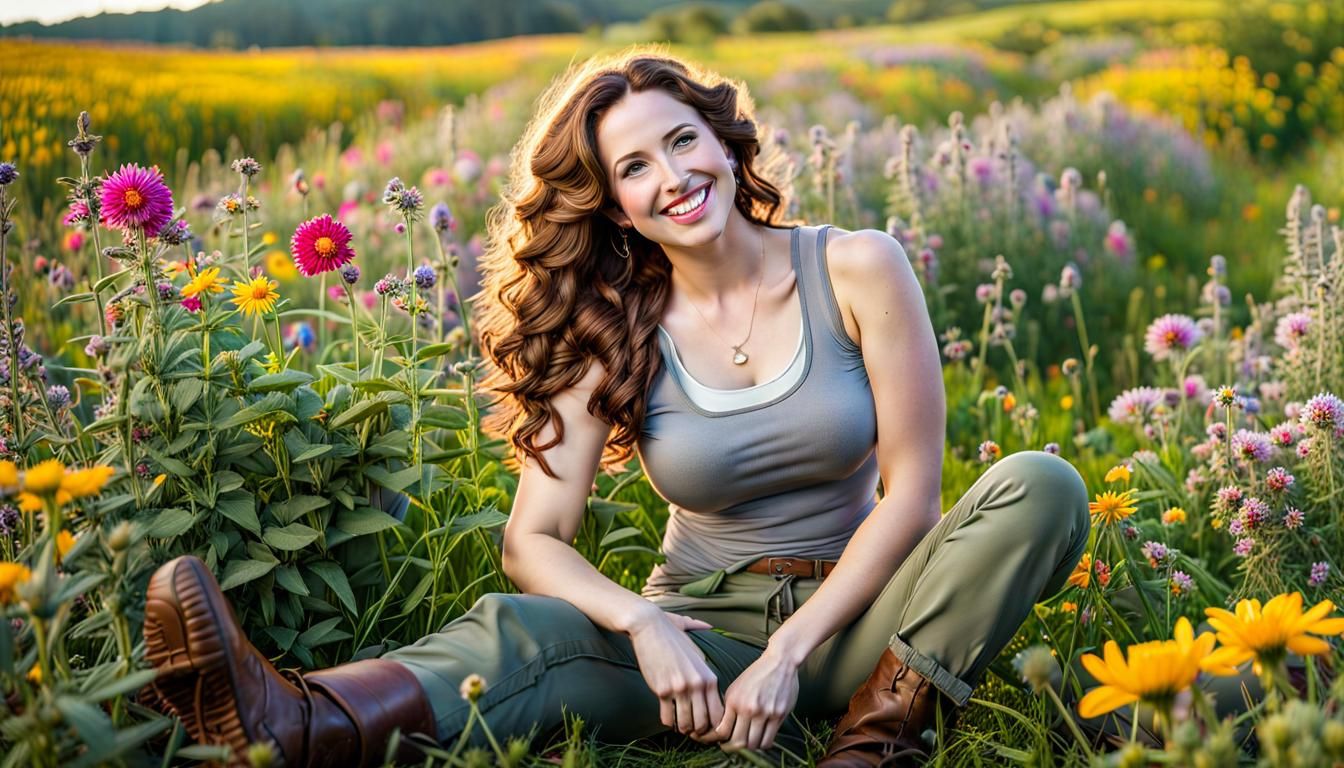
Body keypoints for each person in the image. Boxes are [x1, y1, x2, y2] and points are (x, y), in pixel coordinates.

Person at [141, 49, 1090, 767]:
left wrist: (792, 652)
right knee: (525, 632)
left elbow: (913, 498)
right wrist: (644, 624)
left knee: (1040, 486)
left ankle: (870, 743)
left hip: (866, 619)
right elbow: (536, 538)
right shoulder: (611, 325)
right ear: (616, 208)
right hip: (700, 639)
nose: (673, 177)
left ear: (725, 142)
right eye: (635, 168)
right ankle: (293, 725)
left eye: (683, 140)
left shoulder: (855, 266)